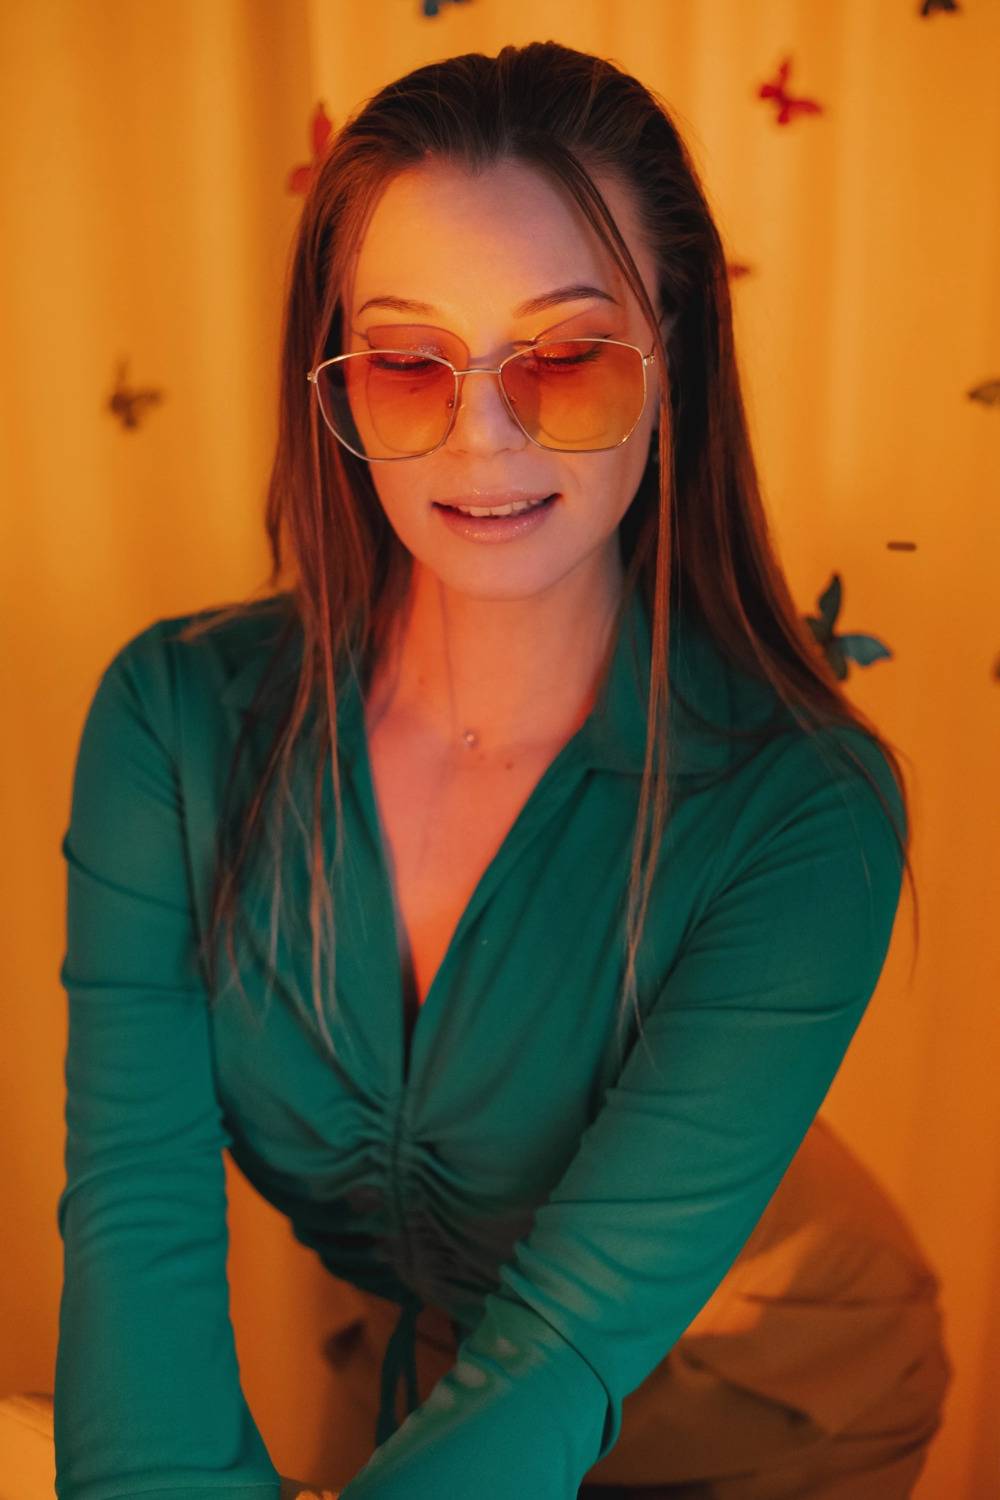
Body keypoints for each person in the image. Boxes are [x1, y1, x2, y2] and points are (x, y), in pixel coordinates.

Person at [49, 39, 950, 1500]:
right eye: (409, 362)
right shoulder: (171, 724)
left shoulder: (807, 811)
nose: (482, 436)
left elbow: (562, 1349)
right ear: (339, 379)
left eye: (567, 356)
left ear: (674, 354)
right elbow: (135, 1221)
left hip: (769, 1393)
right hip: (423, 1373)